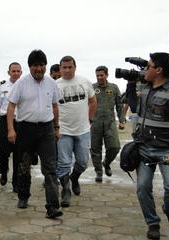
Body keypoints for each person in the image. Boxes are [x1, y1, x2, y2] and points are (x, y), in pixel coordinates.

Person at [7, 49, 63, 219]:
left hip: (46, 129)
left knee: (50, 168)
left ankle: (52, 207)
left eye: (41, 65)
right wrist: (11, 129)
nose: (38, 69)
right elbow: (11, 107)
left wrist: (56, 127)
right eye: (35, 66)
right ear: (29, 67)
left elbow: (54, 106)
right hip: (25, 129)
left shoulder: (51, 83)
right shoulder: (21, 83)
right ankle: (23, 196)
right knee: (24, 165)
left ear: (45, 66)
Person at [133, 52, 169, 239]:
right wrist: (130, 83)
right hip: (144, 148)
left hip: (167, 150)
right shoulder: (145, 89)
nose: (144, 70)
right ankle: (153, 223)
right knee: (142, 187)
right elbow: (135, 109)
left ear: (158, 70)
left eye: (148, 66)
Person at [55, 55, 97, 207]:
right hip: (63, 130)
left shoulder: (84, 82)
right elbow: (52, 107)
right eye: (64, 67)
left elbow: (93, 102)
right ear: (60, 69)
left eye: (70, 67)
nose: (67, 70)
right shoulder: (55, 85)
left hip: (83, 130)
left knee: (83, 162)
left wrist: (90, 120)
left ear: (75, 67)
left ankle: (74, 178)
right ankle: (65, 190)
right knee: (64, 163)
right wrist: (55, 127)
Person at [0, 62, 22, 191]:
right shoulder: (2, 87)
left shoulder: (25, 85)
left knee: (19, 153)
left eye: (18, 71)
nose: (16, 73)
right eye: (13, 71)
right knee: (3, 150)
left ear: (21, 72)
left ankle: (16, 182)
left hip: (21, 121)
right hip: (4, 120)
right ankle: (3, 170)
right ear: (9, 72)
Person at [91, 66, 125, 182]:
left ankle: (106, 163)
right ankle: (99, 172)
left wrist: (121, 120)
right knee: (95, 149)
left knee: (115, 147)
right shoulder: (92, 88)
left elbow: (119, 105)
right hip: (95, 123)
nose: (100, 77)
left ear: (106, 75)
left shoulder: (114, 88)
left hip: (110, 123)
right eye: (97, 75)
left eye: (102, 75)